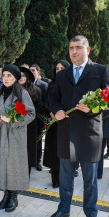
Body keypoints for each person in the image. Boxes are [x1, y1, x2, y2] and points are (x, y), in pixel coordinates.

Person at [49, 35, 109, 217]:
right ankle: (63, 209)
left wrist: (93, 109)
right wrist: (57, 110)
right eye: (71, 48)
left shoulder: (100, 71)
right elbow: (54, 98)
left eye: (78, 47)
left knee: (90, 181)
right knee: (65, 177)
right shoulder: (62, 74)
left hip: (89, 135)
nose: (74, 52)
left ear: (88, 50)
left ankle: (91, 213)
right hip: (66, 133)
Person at [0, 64, 35, 212]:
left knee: (14, 165)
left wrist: (13, 120)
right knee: (2, 163)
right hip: (0, 134)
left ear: (15, 78)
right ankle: (5, 193)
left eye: (9, 76)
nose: (6, 78)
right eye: (4, 75)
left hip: (15, 135)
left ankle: (14, 195)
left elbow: (31, 114)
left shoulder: (22, 93)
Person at [43, 60, 70, 188]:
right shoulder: (51, 85)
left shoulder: (71, 85)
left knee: (65, 152)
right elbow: (46, 103)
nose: (58, 70)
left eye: (62, 68)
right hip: (53, 124)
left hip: (67, 123)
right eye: (57, 68)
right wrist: (51, 113)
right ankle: (55, 179)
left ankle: (65, 176)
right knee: (54, 152)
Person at [19, 66, 43, 175]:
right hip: (15, 124)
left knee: (28, 151)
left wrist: (26, 111)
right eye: (19, 75)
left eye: (23, 75)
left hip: (30, 124)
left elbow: (40, 107)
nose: (21, 77)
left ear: (28, 77)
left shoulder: (36, 90)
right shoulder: (12, 89)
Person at [29, 64, 48, 171]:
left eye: (33, 70)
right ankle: (29, 160)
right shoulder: (24, 84)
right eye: (30, 70)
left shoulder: (43, 85)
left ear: (38, 72)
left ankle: (37, 161)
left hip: (38, 117)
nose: (31, 72)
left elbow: (45, 102)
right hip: (26, 118)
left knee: (38, 141)